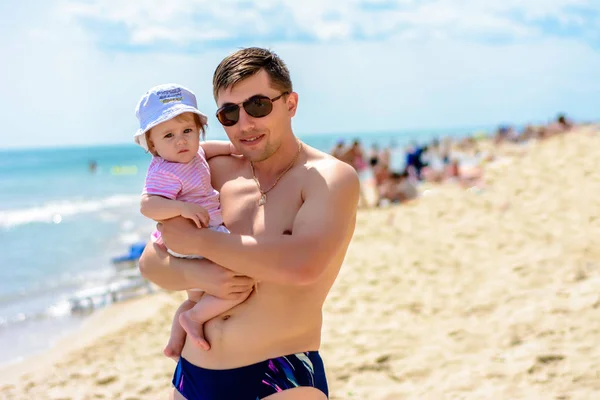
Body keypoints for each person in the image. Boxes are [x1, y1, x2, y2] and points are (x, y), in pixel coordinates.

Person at [138, 47, 360, 400]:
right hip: (193, 374)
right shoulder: (214, 172)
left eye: (258, 105)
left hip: (279, 373)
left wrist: (200, 243)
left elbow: (303, 265)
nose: (244, 124)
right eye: (229, 113)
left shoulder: (329, 177)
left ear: (290, 103)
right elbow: (151, 263)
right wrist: (201, 276)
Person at [134, 83, 252, 359]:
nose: (181, 141)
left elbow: (207, 150)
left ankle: (175, 343)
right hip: (190, 238)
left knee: (196, 296)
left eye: (188, 131)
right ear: (152, 144)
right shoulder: (165, 170)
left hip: (202, 232)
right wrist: (181, 208)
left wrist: (234, 148)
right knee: (237, 285)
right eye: (169, 135)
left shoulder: (192, 153)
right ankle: (195, 319)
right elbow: (147, 206)